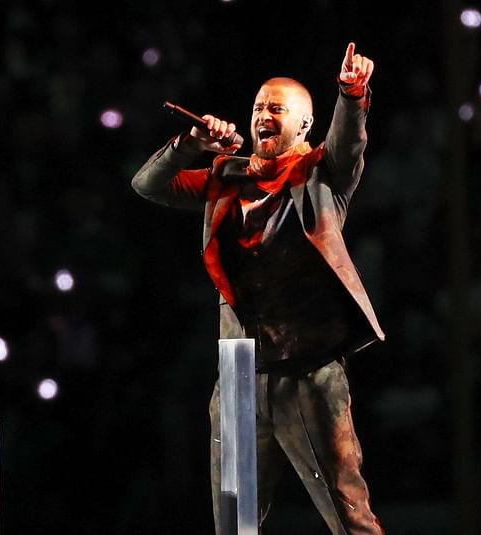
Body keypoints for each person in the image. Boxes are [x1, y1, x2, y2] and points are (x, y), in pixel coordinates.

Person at [131, 42, 385, 534]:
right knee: (234, 523)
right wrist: (190, 145)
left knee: (349, 514)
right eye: (257, 107)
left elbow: (349, 143)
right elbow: (147, 186)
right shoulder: (227, 175)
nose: (263, 116)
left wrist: (352, 95)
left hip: (308, 374)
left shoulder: (320, 175)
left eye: (276, 109)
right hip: (238, 377)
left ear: (304, 126)